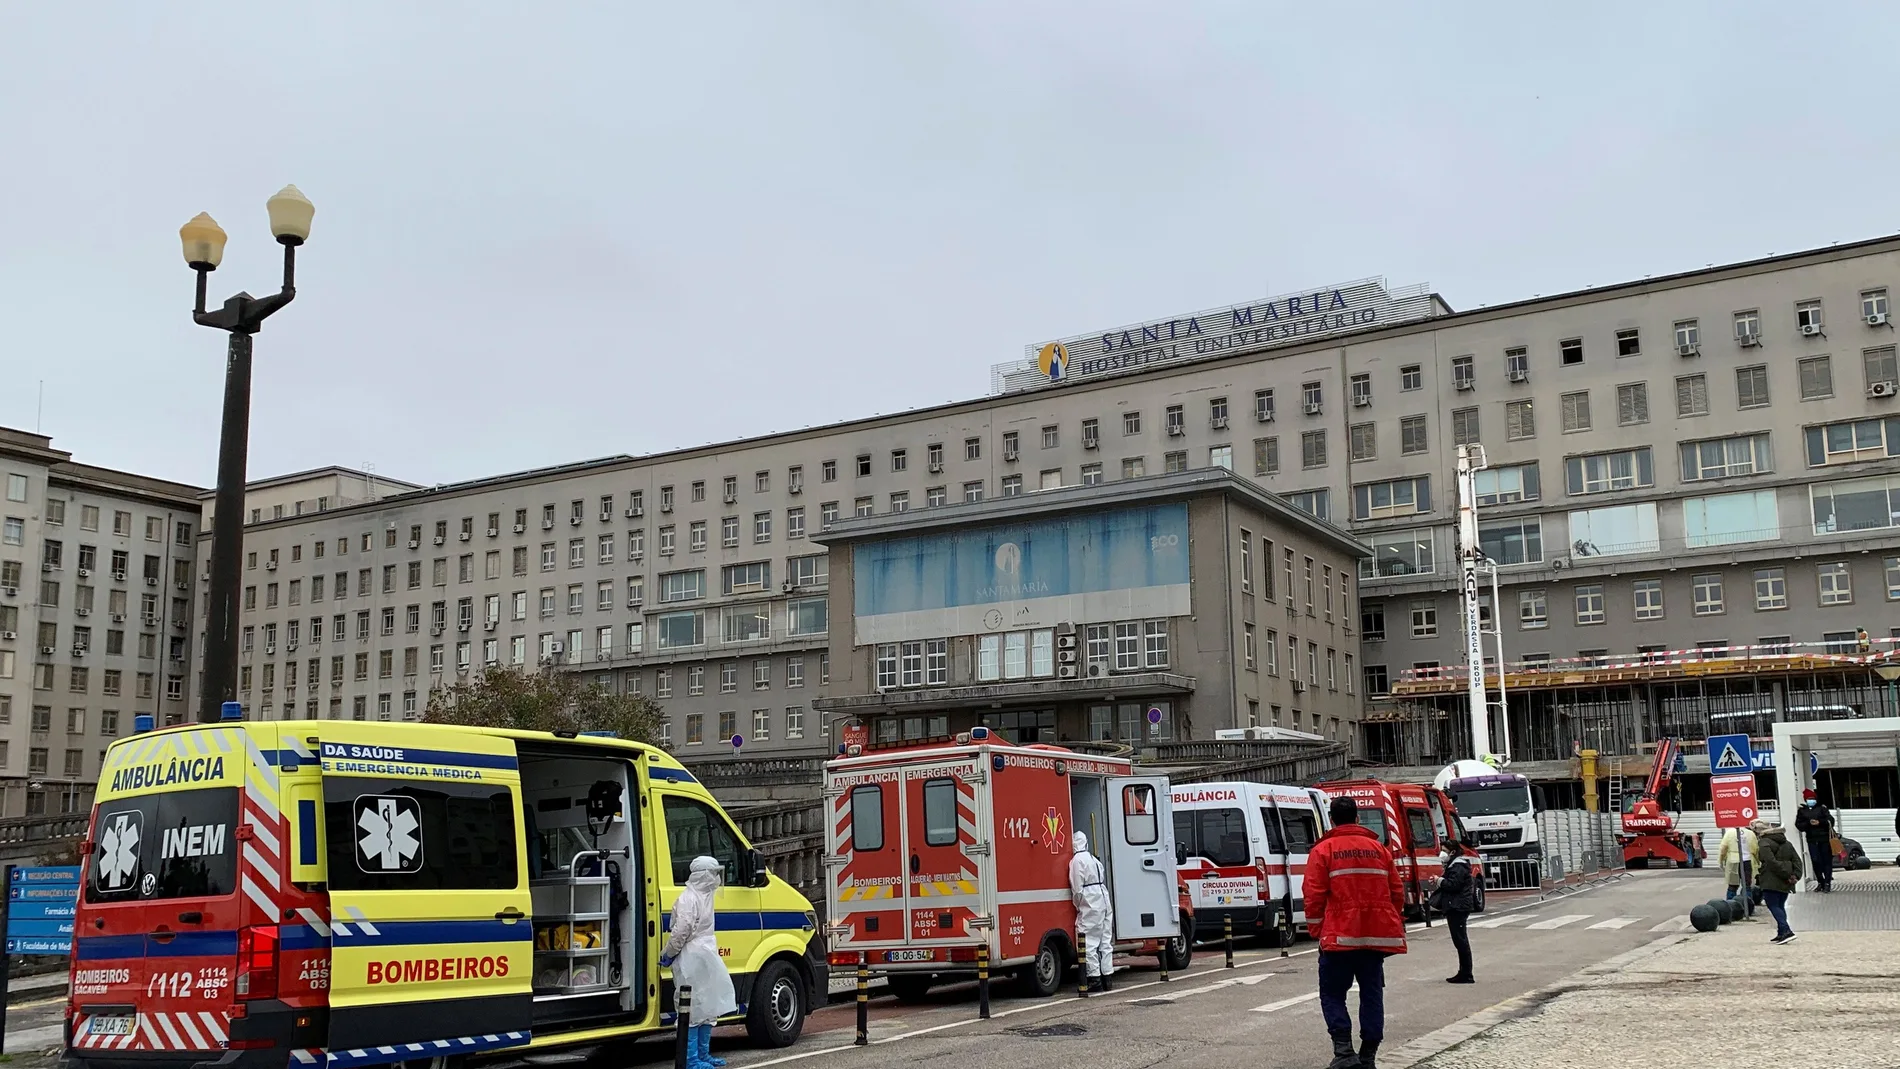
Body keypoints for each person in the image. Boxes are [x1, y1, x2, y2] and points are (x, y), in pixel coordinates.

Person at [1306, 796, 1407, 1069]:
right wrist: (1388, 921)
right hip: (1375, 937)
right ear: (1358, 818)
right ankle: (1368, 1056)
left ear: (1331, 819)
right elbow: (1397, 891)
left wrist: (1318, 929)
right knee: (1371, 994)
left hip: (1338, 937)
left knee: (1332, 993)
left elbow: (1313, 895)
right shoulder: (1379, 849)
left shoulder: (1323, 850)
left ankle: (1344, 1052)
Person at [660, 856, 737, 1069]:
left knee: (706, 1005)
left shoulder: (704, 896)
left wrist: (668, 953)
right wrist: (670, 952)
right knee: (692, 1006)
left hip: (702, 954)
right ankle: (691, 1058)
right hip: (692, 956)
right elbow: (681, 930)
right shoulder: (689, 898)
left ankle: (702, 1055)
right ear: (703, 875)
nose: (715, 879)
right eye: (712, 874)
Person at [1428, 836, 1480, 984]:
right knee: (1459, 940)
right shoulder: (1454, 865)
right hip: (1455, 905)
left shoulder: (1458, 866)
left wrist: (1440, 881)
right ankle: (1463, 972)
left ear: (1452, 852)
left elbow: (1453, 885)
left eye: (1444, 851)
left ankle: (1466, 973)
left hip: (1458, 906)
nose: (1442, 854)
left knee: (1461, 940)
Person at [1069, 831, 1115, 990]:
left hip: (1091, 901)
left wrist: (1079, 905)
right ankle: (1107, 978)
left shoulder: (1076, 861)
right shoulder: (1094, 859)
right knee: (1105, 941)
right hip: (1103, 898)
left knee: (1087, 941)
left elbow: (1077, 889)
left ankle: (1094, 979)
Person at [1756, 822, 1801, 945]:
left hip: (1771, 879)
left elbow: (1769, 861)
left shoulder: (1764, 843)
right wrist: (1795, 875)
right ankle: (1781, 932)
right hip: (1786, 881)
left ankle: (1786, 931)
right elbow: (1796, 860)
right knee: (1780, 905)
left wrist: (1785, 873)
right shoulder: (1787, 843)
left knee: (1773, 905)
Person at [1793, 789, 1835, 892]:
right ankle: (1821, 881)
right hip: (1812, 839)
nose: (1811, 800)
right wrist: (1808, 823)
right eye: (1809, 799)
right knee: (1816, 861)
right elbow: (1799, 825)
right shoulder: (1802, 811)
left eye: (1812, 799)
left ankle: (1827, 883)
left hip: (1824, 839)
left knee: (1826, 861)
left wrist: (1819, 822)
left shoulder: (1822, 808)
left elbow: (1831, 821)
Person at [1718, 821, 1760, 917]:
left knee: (1732, 886)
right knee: (1747, 886)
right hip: (1748, 861)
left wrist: (1721, 861)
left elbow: (1723, 848)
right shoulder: (1750, 834)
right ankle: (1749, 909)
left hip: (1733, 861)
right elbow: (1756, 849)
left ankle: (1729, 908)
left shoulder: (1729, 833)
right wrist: (1758, 862)